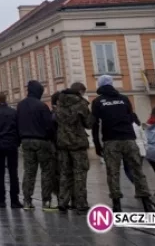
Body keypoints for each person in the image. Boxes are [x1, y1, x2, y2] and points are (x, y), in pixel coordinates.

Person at [91, 75, 155, 212]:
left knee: (113, 173)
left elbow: (95, 125)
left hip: (111, 141)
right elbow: (131, 117)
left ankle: (116, 205)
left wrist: (97, 144)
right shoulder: (124, 99)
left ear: (100, 85)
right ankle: (146, 203)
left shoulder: (98, 101)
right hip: (129, 139)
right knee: (137, 171)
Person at [54, 82, 92, 213]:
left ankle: (63, 201)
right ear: (80, 91)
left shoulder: (60, 102)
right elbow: (88, 124)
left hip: (63, 142)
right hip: (77, 142)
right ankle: (80, 203)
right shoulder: (81, 104)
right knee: (80, 173)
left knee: (65, 173)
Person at [17, 80, 55, 210]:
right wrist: (51, 139)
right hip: (42, 141)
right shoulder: (42, 106)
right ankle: (46, 201)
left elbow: (17, 123)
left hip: (26, 141)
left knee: (29, 171)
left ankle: (27, 201)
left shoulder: (20, 105)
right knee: (46, 171)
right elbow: (49, 125)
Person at [0, 91, 21, 209]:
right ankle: (14, 200)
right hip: (12, 145)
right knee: (13, 173)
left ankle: (2, 200)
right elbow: (18, 129)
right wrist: (17, 142)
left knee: (0, 173)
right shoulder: (13, 112)